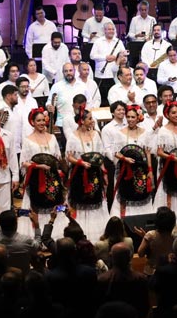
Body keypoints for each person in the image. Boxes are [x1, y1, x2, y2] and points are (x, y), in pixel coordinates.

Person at [64, 106, 110, 240]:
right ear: (82, 121)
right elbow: (69, 156)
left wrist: (104, 172)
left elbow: (100, 156)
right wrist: (81, 163)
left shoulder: (96, 134)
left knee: (95, 200)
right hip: (79, 174)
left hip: (95, 173)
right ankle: (82, 232)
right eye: (89, 118)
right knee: (81, 201)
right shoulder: (73, 137)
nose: (92, 121)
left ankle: (97, 232)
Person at [110, 104, 156, 218]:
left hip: (141, 170)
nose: (130, 120)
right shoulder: (119, 133)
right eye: (128, 117)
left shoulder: (145, 133)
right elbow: (115, 152)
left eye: (133, 117)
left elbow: (148, 152)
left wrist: (150, 170)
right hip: (125, 170)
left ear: (138, 118)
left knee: (141, 192)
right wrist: (124, 158)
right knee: (125, 193)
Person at [47, 63, 87, 138]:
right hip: (62, 123)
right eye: (66, 71)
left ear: (75, 71)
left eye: (70, 70)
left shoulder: (82, 85)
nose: (68, 73)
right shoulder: (57, 86)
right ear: (63, 73)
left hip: (80, 123)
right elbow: (49, 102)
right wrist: (49, 106)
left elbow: (89, 103)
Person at [91, 21, 124, 97]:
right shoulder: (98, 41)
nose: (111, 31)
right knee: (101, 97)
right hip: (101, 75)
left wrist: (115, 57)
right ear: (104, 30)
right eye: (109, 29)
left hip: (114, 75)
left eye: (113, 29)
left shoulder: (119, 42)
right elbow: (92, 56)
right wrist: (105, 57)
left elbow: (123, 55)